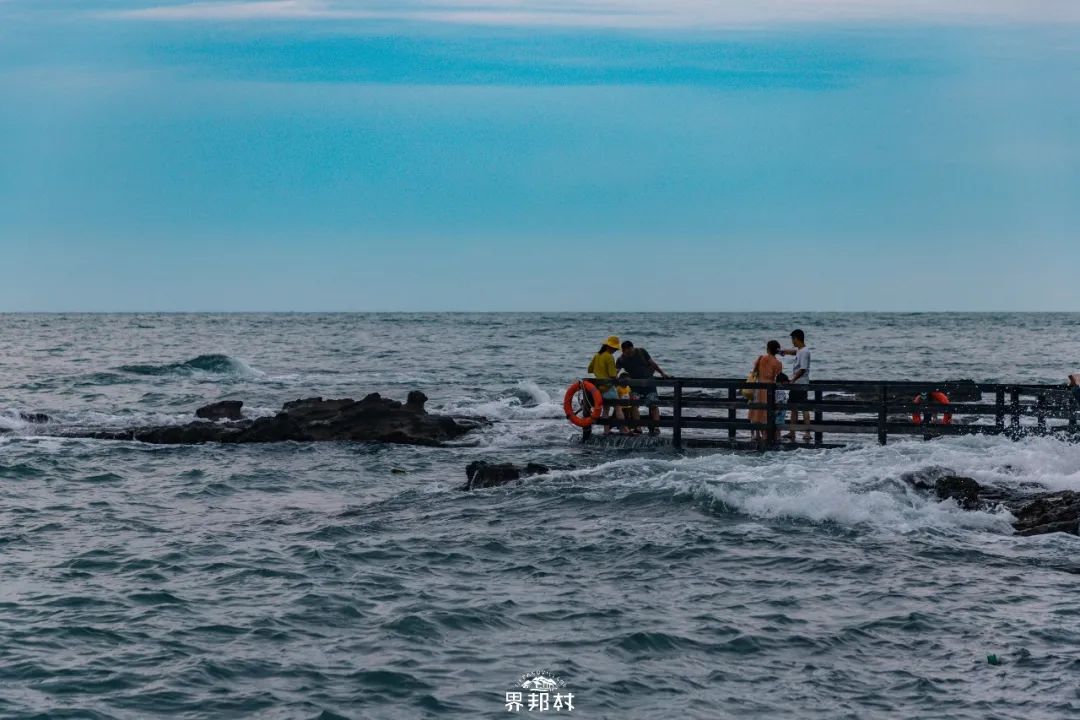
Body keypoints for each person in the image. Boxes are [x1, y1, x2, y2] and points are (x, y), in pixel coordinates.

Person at [617, 340, 670, 436]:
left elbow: (653, 364)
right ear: (623, 351)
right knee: (634, 405)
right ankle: (638, 427)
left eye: (630, 351)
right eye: (626, 352)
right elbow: (616, 371)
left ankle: (656, 427)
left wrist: (662, 373)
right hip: (635, 385)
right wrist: (611, 380)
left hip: (649, 383)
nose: (629, 354)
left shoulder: (641, 352)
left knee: (653, 404)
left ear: (632, 348)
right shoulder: (621, 359)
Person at [587, 336, 628, 434]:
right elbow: (612, 375)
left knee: (605, 409)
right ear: (609, 347)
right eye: (614, 348)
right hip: (608, 387)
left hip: (599, 388)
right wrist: (617, 378)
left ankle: (606, 430)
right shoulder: (609, 357)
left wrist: (599, 371)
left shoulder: (597, 355)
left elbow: (590, 369)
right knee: (618, 408)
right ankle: (623, 429)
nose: (615, 350)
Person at [749, 340, 783, 442]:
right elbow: (779, 377)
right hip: (770, 389)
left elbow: (754, 371)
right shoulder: (778, 363)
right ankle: (765, 434)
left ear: (767, 349)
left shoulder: (761, 359)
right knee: (766, 412)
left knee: (757, 411)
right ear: (777, 350)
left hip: (759, 387)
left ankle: (757, 434)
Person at [781, 329, 811, 441]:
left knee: (804, 408)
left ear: (797, 339)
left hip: (801, 384)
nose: (792, 342)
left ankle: (807, 432)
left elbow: (803, 369)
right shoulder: (800, 350)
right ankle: (792, 432)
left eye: (793, 339)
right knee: (793, 408)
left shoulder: (805, 352)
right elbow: (794, 352)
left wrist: (793, 379)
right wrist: (783, 351)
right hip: (796, 384)